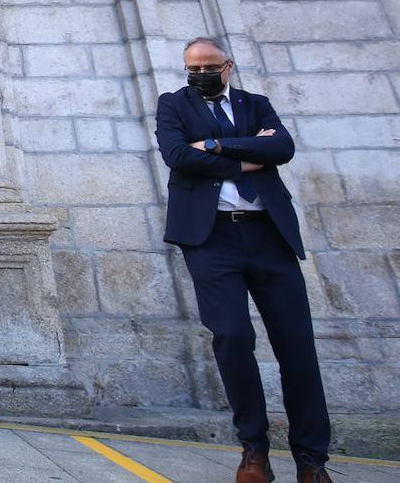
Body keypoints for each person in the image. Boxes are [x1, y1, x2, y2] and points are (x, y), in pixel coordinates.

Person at [156, 37, 332, 483]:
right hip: (211, 237)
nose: (200, 74)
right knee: (232, 337)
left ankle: (312, 460)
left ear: (228, 66)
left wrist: (213, 146)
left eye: (208, 66)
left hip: (268, 234)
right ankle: (254, 450)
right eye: (192, 68)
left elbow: (282, 150)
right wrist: (247, 152)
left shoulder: (257, 104)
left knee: (297, 346)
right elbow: (177, 156)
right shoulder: (173, 105)